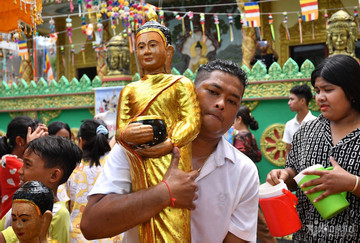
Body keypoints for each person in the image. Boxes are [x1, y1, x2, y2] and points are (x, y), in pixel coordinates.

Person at [81, 59, 259, 242]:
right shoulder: (137, 148)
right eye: (213, 92)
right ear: (190, 93)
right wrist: (163, 193)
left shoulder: (243, 171)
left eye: (232, 101)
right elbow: (91, 225)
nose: (221, 104)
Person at [115, 10, 200, 242]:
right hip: (142, 162)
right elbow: (119, 131)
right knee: (146, 216)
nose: (147, 51)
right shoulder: (129, 90)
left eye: (153, 45)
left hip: (173, 158)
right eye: (141, 47)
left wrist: (170, 143)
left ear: (168, 51)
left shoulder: (181, 84)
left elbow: (192, 121)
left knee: (175, 222)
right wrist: (127, 133)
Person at [266, 55, 360, 241]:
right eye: (317, 90)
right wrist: (284, 176)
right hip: (308, 236)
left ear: (351, 91)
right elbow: (295, 173)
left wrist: (353, 183)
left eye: (328, 89)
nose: (320, 97)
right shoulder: (307, 131)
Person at [0, 136, 82, 243]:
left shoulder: (57, 213)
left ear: (54, 175)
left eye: (27, 164)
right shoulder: (25, 203)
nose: (20, 171)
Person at [61, 119, 121, 242]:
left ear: (81, 141)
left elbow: (64, 204)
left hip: (78, 236)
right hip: (112, 235)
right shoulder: (117, 165)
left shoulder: (71, 168)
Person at [232, 106, 276, 243]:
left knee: (253, 217)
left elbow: (238, 158)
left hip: (240, 180)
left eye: (234, 118)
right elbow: (258, 157)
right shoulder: (250, 135)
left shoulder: (240, 136)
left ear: (239, 119)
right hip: (252, 176)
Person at [0, 116, 47, 219]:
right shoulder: (8, 161)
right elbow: (40, 177)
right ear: (20, 141)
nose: (39, 145)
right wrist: (32, 146)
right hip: (10, 222)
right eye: (36, 140)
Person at [282, 84, 317, 158]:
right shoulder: (289, 124)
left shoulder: (316, 123)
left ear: (302, 101)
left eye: (292, 99)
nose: (289, 102)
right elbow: (288, 151)